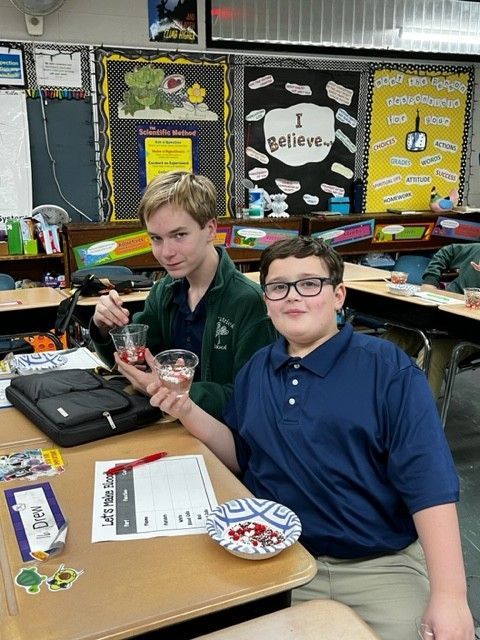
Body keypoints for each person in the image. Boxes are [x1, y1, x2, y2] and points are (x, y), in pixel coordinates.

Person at [146, 237, 474, 640]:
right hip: (280, 561)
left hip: (380, 564)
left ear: (338, 295)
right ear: (265, 300)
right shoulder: (255, 371)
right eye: (278, 287)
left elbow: (430, 484)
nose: (293, 297)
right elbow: (241, 455)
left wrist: (451, 595)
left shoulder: (387, 368)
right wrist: (185, 409)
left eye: (310, 284)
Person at [89, 171, 277, 420]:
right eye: (156, 238)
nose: (166, 252)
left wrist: (172, 392)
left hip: (223, 442)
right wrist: (103, 327)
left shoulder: (249, 302)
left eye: (179, 235)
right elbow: (135, 360)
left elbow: (251, 398)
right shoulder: (164, 290)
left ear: (210, 229)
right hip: (168, 424)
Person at [384, 243, 480, 400]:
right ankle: (368, 401)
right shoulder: (477, 250)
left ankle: (418, 418)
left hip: (468, 333)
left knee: (433, 355)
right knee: (393, 338)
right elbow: (446, 252)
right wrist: (430, 281)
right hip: (439, 318)